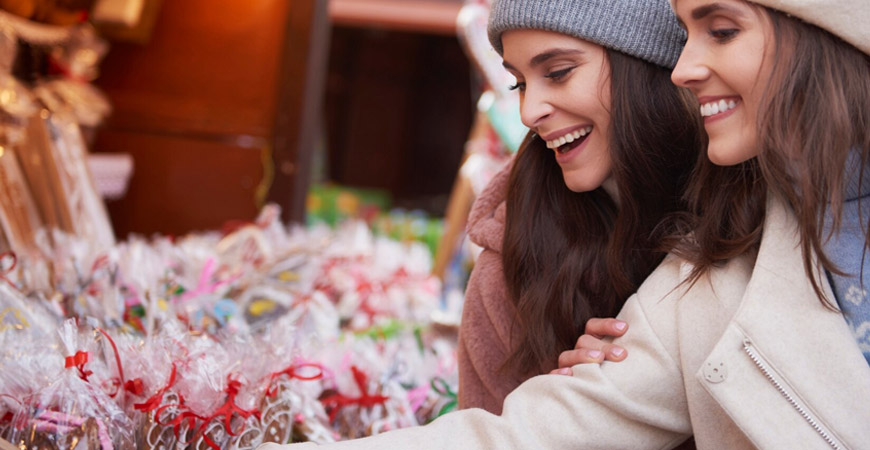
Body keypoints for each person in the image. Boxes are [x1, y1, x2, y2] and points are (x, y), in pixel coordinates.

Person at [260, 0, 870, 448]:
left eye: (723, 31)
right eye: (520, 82)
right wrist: (582, 387)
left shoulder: (742, 224)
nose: (528, 110)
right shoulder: (702, 275)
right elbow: (516, 436)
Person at [456, 0, 702, 416]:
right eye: (519, 84)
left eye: (557, 72)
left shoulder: (757, 216)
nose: (529, 112)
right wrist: (559, 415)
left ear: (646, 60)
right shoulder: (510, 270)